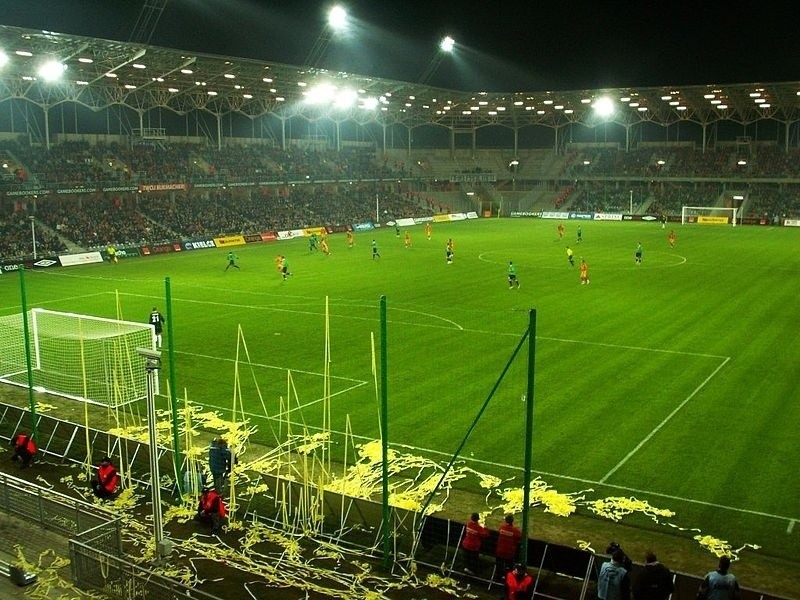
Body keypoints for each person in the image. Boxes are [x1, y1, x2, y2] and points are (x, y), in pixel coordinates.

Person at [495, 515, 523, 580]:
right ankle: (508, 577)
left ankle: (499, 576)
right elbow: (520, 536)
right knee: (510, 565)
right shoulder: (514, 530)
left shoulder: (502, 527)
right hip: (509, 553)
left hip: (499, 551)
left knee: (499, 564)